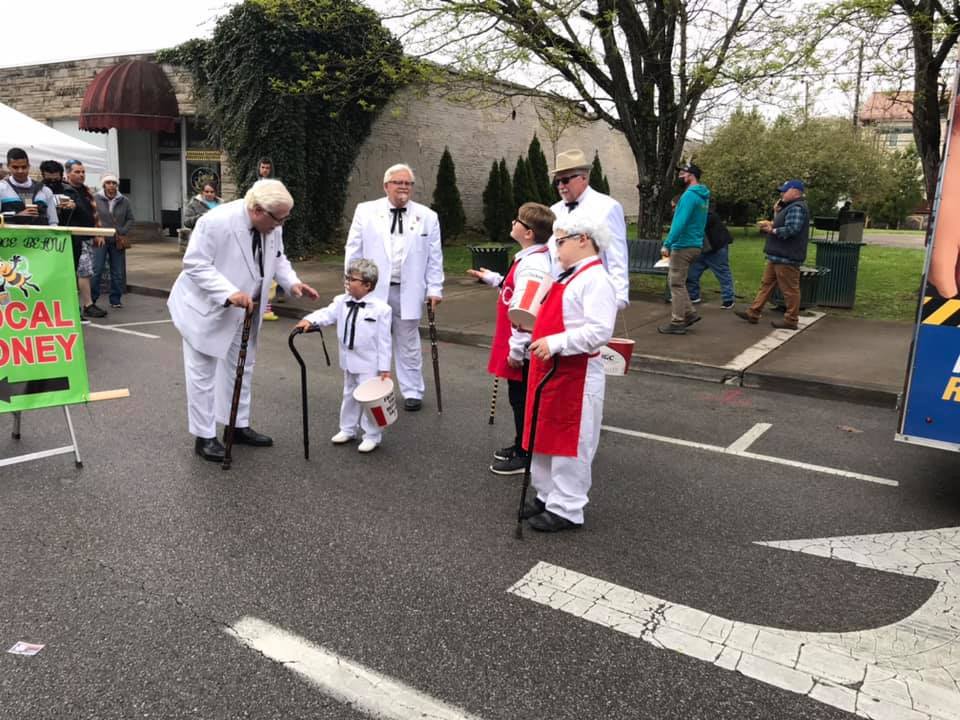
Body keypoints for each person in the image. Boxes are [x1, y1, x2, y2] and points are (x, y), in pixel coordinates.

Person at [167, 179, 320, 462]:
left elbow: (277, 257)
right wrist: (229, 292)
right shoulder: (215, 222)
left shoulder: (272, 222)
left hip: (247, 309)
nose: (281, 225)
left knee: (242, 367)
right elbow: (194, 265)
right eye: (279, 219)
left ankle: (236, 425)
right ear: (258, 210)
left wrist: (292, 283)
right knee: (202, 373)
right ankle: (204, 436)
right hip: (208, 308)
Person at [519, 216, 617, 532]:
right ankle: (547, 495)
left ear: (583, 239)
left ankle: (568, 507)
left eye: (560, 241)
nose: (555, 248)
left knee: (570, 442)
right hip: (549, 371)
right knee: (543, 436)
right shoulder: (566, 275)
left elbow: (599, 330)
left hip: (574, 375)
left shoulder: (596, 280)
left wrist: (558, 342)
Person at [344, 163, 443, 411]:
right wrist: (351, 283)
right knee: (371, 341)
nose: (403, 187)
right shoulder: (366, 211)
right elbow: (353, 250)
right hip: (373, 289)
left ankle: (412, 391)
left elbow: (435, 257)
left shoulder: (427, 217)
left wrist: (435, 288)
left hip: (408, 290)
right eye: (398, 182)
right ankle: (372, 387)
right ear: (386, 185)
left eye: (408, 183)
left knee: (408, 343)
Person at [468, 202, 555, 475]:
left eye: (517, 220)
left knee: (523, 401)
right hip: (522, 346)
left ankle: (526, 453)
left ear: (528, 232)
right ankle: (522, 444)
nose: (513, 223)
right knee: (519, 400)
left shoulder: (534, 265)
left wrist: (517, 352)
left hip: (525, 350)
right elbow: (514, 287)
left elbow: (524, 315)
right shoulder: (528, 258)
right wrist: (494, 279)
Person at [296, 258, 392, 453]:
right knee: (349, 394)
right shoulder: (341, 301)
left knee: (369, 400)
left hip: (369, 363)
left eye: (352, 279)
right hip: (348, 359)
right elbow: (326, 314)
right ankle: (347, 429)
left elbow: (384, 341)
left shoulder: (381, 309)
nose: (347, 281)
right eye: (346, 277)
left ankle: (372, 435)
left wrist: (384, 368)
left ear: (367, 285)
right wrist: (308, 320)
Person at [549, 149, 630, 310]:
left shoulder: (607, 207)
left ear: (584, 178)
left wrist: (619, 297)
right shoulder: (555, 210)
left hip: (592, 292)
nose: (561, 186)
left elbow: (617, 254)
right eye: (557, 182)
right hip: (559, 292)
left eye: (565, 180)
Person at [735, 179, 810, 331]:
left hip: (787, 256)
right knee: (766, 284)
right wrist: (776, 213)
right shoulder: (789, 207)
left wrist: (772, 230)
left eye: (785, 190)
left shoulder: (797, 208)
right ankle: (754, 312)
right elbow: (781, 224)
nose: (782, 193)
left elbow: (792, 229)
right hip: (777, 255)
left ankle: (791, 319)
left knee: (789, 290)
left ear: (795, 192)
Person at [659, 163, 709, 335]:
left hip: (683, 245)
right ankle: (689, 313)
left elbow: (679, 222)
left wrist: (668, 243)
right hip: (695, 244)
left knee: (675, 283)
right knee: (679, 282)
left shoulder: (688, 196)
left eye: (683, 173)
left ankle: (678, 321)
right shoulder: (702, 196)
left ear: (691, 176)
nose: (680, 176)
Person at [60, 160, 107, 319]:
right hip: (72, 238)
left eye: (83, 172)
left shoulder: (86, 192)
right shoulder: (64, 191)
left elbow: (94, 215)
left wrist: (97, 232)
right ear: (68, 174)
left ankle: (87, 305)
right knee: (78, 273)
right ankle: (78, 306)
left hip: (86, 237)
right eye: (77, 172)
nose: (81, 175)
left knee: (85, 272)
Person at [93, 173, 134, 309]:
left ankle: (115, 299)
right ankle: (92, 299)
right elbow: (91, 217)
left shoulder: (124, 200)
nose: (111, 185)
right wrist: (96, 232)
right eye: (108, 183)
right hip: (100, 239)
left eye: (114, 183)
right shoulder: (95, 199)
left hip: (117, 239)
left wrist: (122, 230)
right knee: (97, 269)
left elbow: (130, 218)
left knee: (117, 271)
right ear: (103, 185)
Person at [686, 203, 735, 309]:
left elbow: (698, 225)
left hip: (716, 248)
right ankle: (693, 295)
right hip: (704, 249)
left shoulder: (708, 216)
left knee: (722, 273)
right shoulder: (702, 214)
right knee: (692, 272)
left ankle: (728, 299)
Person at [0, 148, 58, 226]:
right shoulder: (2, 188)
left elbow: (53, 221)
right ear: (8, 167)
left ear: (29, 166)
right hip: (10, 237)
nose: (20, 171)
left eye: (24, 167)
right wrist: (16, 216)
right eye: (15, 167)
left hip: (41, 236)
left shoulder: (44, 190)